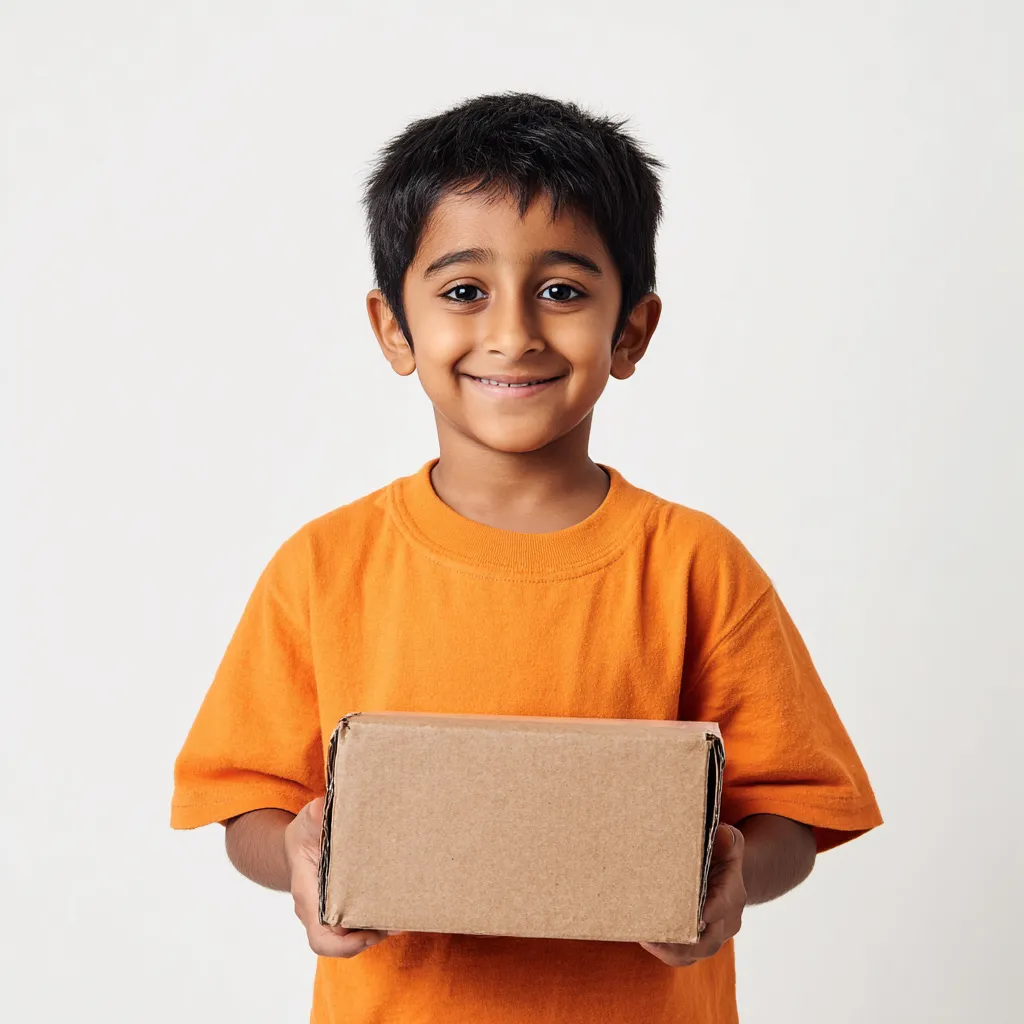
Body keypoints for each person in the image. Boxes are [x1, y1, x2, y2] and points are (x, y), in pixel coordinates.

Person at [171, 92, 882, 1024]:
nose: (514, 332)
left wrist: (735, 881)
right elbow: (246, 803)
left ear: (631, 329)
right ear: (395, 328)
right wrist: (300, 855)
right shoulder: (323, 567)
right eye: (465, 291)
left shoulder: (696, 566)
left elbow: (792, 809)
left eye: (563, 290)